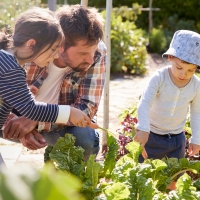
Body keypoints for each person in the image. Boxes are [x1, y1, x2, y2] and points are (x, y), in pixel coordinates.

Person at [2, 5, 106, 162]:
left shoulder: (10, 58)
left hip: (42, 122)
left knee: (85, 137)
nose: (91, 59)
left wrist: (31, 116)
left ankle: (56, 177)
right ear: (62, 44)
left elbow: (87, 107)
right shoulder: (17, 65)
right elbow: (30, 108)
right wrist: (69, 112)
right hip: (15, 121)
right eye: (83, 53)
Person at [134, 30, 200, 162]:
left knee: (173, 177)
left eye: (190, 70)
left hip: (177, 140)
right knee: (145, 174)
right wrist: (143, 128)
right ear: (170, 57)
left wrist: (196, 139)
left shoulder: (196, 85)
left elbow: (196, 112)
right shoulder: (159, 78)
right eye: (179, 67)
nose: (183, 74)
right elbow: (145, 102)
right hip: (151, 136)